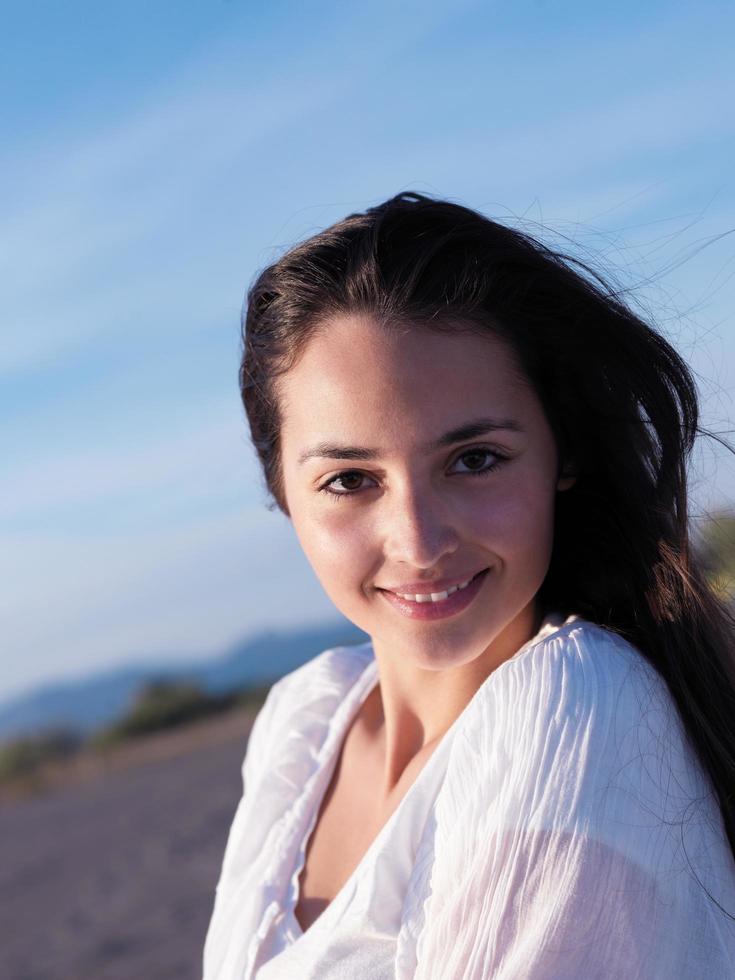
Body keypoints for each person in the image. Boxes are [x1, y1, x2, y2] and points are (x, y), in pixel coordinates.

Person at [202, 192, 735, 979]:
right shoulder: (304, 722)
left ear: (564, 453)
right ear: (282, 489)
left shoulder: (570, 715)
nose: (418, 541)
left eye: (474, 459)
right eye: (350, 479)